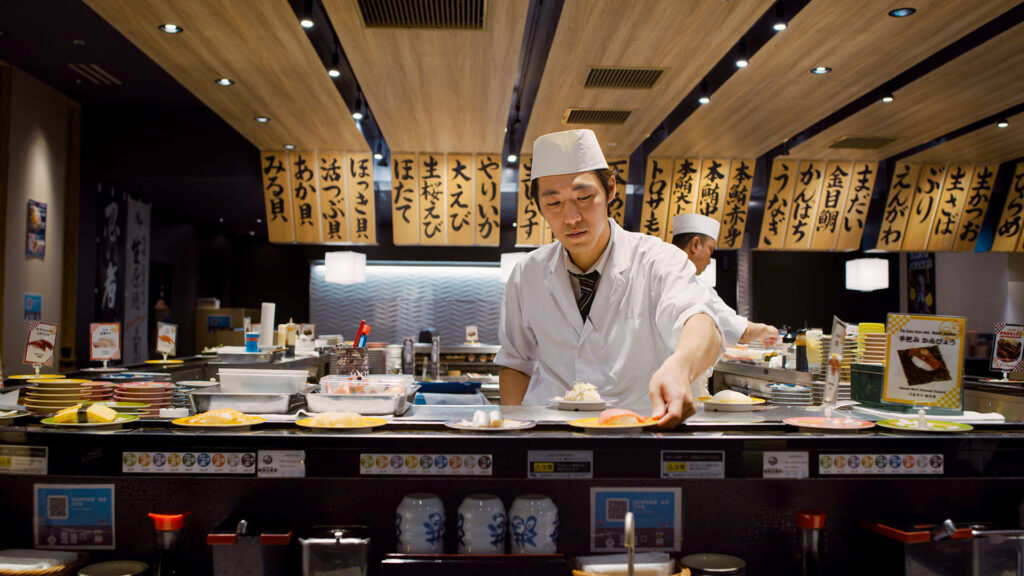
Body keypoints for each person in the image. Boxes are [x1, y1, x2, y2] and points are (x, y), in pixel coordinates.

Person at [495, 129, 724, 427]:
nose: (571, 217)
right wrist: (514, 428)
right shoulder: (528, 273)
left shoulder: (657, 259)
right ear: (538, 205)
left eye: (584, 197)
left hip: (640, 433)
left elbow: (701, 322)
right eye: (553, 204)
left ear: (610, 189)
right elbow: (515, 362)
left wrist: (680, 366)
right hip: (553, 438)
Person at [671, 213, 779, 346]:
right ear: (695, 244)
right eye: (710, 250)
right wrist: (769, 330)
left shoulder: (652, 274)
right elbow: (741, 332)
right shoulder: (694, 286)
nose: (709, 261)